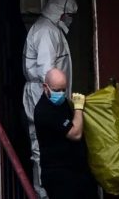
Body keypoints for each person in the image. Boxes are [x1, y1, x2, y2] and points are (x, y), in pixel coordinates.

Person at [22, 0, 77, 198]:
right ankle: (42, 192)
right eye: (68, 15)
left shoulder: (50, 29)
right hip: (41, 94)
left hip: (47, 93)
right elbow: (48, 71)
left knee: (49, 144)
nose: (69, 19)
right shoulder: (46, 32)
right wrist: (55, 99)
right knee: (40, 145)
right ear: (60, 13)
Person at [34, 68, 98, 199]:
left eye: (64, 89)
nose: (61, 94)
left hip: (77, 172)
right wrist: (79, 108)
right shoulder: (45, 111)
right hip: (60, 176)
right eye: (57, 90)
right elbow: (75, 133)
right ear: (45, 87)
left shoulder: (60, 102)